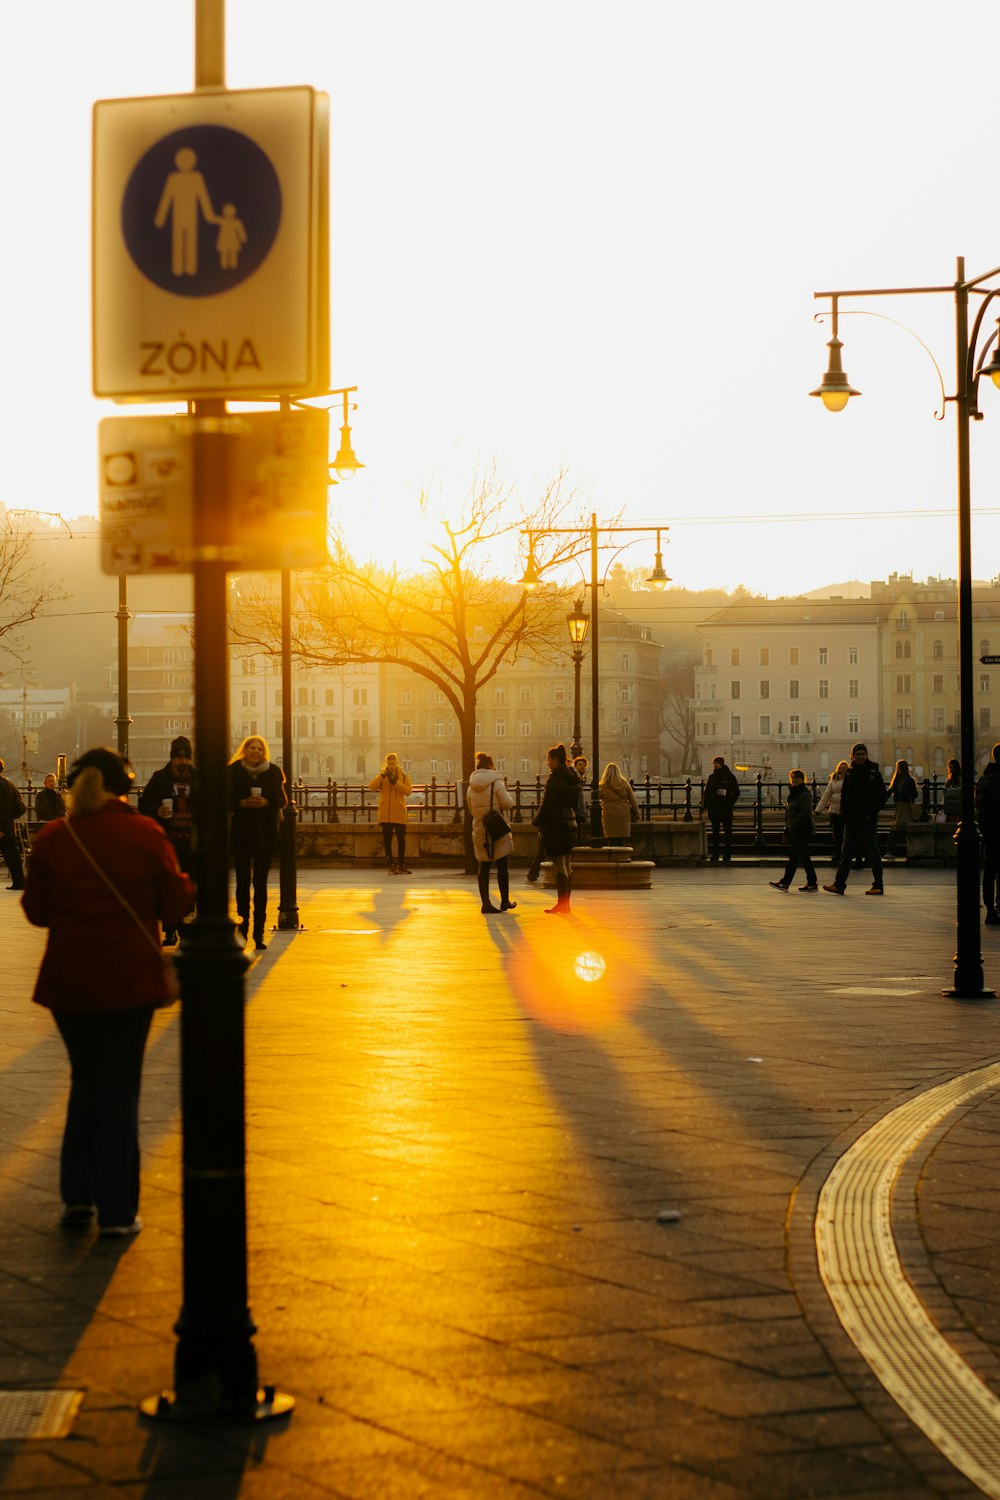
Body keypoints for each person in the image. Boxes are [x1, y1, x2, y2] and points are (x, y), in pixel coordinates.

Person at [21, 747, 193, 1236]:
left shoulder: (55, 837)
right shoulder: (144, 833)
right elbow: (175, 902)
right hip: (129, 979)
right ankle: (117, 1210)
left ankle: (77, 1197)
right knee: (119, 1087)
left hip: (69, 978)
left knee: (85, 1081)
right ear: (126, 786)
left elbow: (36, 911)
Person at [228, 735, 287, 950]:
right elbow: (224, 797)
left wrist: (267, 802)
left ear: (264, 752)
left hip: (264, 832)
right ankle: (242, 932)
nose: (255, 751)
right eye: (251, 748)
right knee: (242, 885)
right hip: (242, 831)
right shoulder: (233, 771)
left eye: (259, 748)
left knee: (260, 885)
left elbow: (282, 800)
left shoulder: (272, 772)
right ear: (245, 750)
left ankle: (258, 934)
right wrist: (242, 803)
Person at [139, 735, 197, 946]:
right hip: (168, 841)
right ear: (172, 758)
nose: (183, 762)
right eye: (179, 757)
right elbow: (144, 804)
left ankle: (187, 929)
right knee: (168, 887)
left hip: (191, 842)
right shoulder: (160, 779)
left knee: (190, 888)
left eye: (186, 758)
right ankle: (171, 929)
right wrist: (157, 810)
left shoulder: (197, 779)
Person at [823, 743, 887, 896]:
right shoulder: (851, 772)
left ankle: (878, 885)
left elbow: (880, 796)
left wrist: (871, 813)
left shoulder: (873, 772)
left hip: (867, 819)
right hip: (851, 819)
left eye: (863, 754)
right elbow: (846, 795)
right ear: (852, 756)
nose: (860, 756)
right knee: (846, 853)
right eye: (857, 754)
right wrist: (845, 813)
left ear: (866, 755)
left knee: (873, 852)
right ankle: (839, 884)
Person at [466, 752, 517, 914]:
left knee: (484, 866)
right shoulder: (496, 783)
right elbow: (508, 804)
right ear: (490, 766)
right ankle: (504, 901)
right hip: (497, 828)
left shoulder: (471, 786)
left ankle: (486, 903)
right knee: (502, 865)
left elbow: (471, 809)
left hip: (481, 827)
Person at [533, 744, 580, 914]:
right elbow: (575, 804)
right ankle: (566, 903)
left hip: (557, 826)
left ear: (555, 760)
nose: (547, 763)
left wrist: (537, 822)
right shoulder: (572, 778)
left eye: (548, 759)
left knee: (560, 866)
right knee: (567, 865)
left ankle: (562, 904)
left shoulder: (554, 780)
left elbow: (547, 806)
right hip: (570, 824)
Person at [769, 769, 817, 892]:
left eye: (797, 777)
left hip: (802, 829)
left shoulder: (804, 794)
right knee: (804, 857)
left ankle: (785, 883)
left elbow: (805, 812)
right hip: (797, 829)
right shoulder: (794, 793)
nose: (794, 779)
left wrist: (792, 826)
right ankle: (812, 883)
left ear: (802, 779)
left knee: (794, 856)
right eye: (792, 777)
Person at [368, 752, 413, 875]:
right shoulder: (383, 777)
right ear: (386, 764)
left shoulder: (403, 776)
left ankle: (401, 865)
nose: (392, 766)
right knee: (387, 841)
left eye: (393, 763)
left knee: (401, 840)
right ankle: (390, 866)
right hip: (386, 814)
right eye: (389, 764)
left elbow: (408, 791)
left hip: (399, 813)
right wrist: (382, 776)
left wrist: (396, 782)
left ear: (397, 763)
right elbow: (371, 786)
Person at [975, 744, 1000, 925]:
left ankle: (990, 909)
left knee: (990, 872)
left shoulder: (986, 779)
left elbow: (979, 807)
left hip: (990, 832)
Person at [701, 755, 741, 864]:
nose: (714, 765)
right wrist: (706, 804)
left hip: (725, 808)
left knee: (727, 832)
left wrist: (729, 802)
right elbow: (707, 791)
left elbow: (736, 792)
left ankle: (727, 854)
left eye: (716, 763)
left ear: (721, 764)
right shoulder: (712, 777)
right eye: (714, 763)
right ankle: (715, 854)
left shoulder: (729, 777)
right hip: (714, 808)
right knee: (715, 833)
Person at [0, 757, 27, 890]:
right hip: (9, 826)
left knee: (11, 855)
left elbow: (1, 808)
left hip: (1, 828)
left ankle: (19, 882)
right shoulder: (8, 784)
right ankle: (19, 881)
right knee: (12, 856)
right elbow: (19, 807)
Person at [598, 762, 639, 846]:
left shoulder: (603, 785)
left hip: (609, 813)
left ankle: (613, 857)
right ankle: (622, 856)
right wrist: (637, 814)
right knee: (622, 838)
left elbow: (597, 797)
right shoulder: (624, 784)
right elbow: (633, 801)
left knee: (611, 838)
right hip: (623, 812)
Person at [815, 761, 849, 864]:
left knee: (846, 834)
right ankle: (838, 854)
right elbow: (826, 796)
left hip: (846, 811)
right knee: (837, 834)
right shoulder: (833, 781)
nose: (841, 769)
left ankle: (845, 854)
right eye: (840, 768)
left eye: (844, 768)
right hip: (834, 810)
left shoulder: (850, 779)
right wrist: (818, 810)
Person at [886, 758, 919, 859]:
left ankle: (891, 851)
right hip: (901, 808)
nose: (897, 770)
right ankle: (911, 851)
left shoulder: (908, 781)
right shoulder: (898, 780)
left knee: (895, 829)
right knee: (900, 829)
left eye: (898, 768)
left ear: (902, 769)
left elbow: (914, 794)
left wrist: (905, 793)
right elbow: (891, 791)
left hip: (904, 807)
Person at [572, 755, 590, 843]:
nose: (582, 767)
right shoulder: (575, 778)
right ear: (575, 766)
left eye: (583, 765)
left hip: (576, 811)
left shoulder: (579, 778)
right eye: (580, 765)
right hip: (575, 811)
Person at [943, 759, 962, 823]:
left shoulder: (958, 778)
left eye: (951, 767)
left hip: (954, 803)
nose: (950, 769)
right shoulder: (950, 778)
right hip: (952, 802)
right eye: (949, 767)